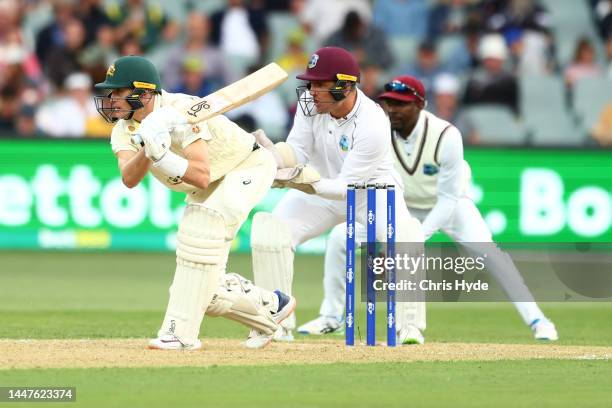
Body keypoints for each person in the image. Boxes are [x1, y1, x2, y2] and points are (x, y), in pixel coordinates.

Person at [300, 75, 559, 343]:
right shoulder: (375, 129)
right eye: (388, 103)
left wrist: (414, 240)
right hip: (400, 206)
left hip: (449, 205)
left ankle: (538, 320)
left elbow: (448, 199)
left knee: (491, 255)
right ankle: (332, 317)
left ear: (421, 104)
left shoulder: (446, 135)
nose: (393, 110)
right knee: (340, 238)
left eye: (402, 104)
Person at [93, 55, 296, 350]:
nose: (111, 99)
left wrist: (164, 155)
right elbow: (129, 178)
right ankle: (271, 307)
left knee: (201, 236)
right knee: (201, 287)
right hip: (212, 181)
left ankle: (179, 335)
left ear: (144, 93)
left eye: (118, 92)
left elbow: (200, 175)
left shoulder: (182, 112)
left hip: (246, 166)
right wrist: (149, 149)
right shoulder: (124, 129)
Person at [249, 47, 425, 344]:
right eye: (311, 83)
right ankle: (275, 322)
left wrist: (302, 180)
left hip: (371, 192)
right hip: (320, 187)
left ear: (344, 86)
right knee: (271, 232)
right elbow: (299, 151)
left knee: (405, 234)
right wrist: (270, 156)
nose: (312, 91)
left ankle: (409, 326)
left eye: (320, 84)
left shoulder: (373, 123)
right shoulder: (310, 103)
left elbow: (348, 187)